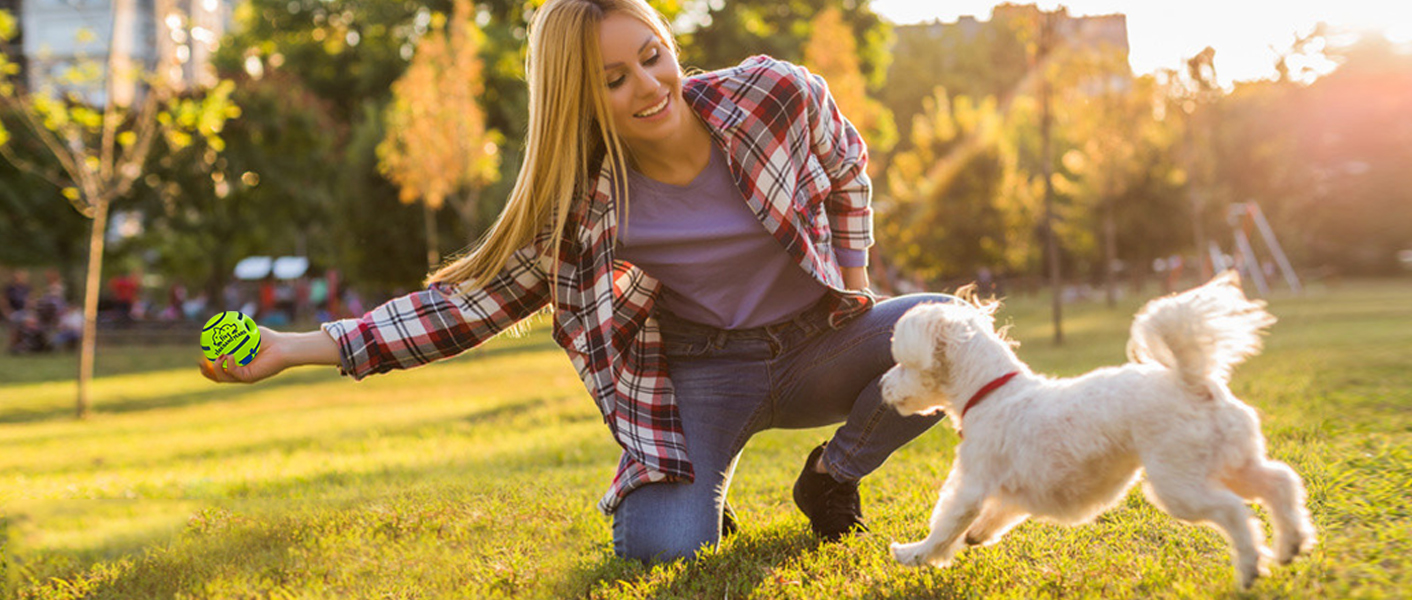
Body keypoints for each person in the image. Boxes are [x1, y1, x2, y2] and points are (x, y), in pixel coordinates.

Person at [199, 0, 953, 564]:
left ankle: (831, 475)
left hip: (819, 341)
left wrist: (855, 287)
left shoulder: (772, 98)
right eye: (614, 80)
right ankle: (693, 499)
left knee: (954, 335)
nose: (649, 86)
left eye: (653, 56)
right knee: (660, 549)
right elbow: (461, 307)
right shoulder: (584, 203)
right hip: (704, 372)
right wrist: (292, 347)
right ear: (581, 98)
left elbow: (845, 165)